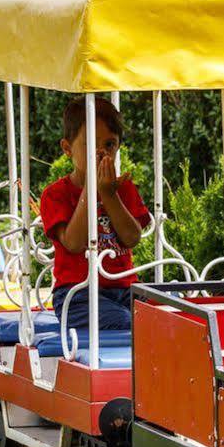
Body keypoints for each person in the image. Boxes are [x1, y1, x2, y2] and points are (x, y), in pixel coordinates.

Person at [37, 98, 151, 339]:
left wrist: (109, 195)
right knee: (127, 322)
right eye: (91, 145)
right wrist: (92, 188)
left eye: (110, 144)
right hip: (77, 295)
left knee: (173, 312)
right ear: (67, 148)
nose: (101, 152)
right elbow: (74, 243)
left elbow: (132, 238)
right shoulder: (55, 195)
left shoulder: (123, 188)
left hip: (124, 289)